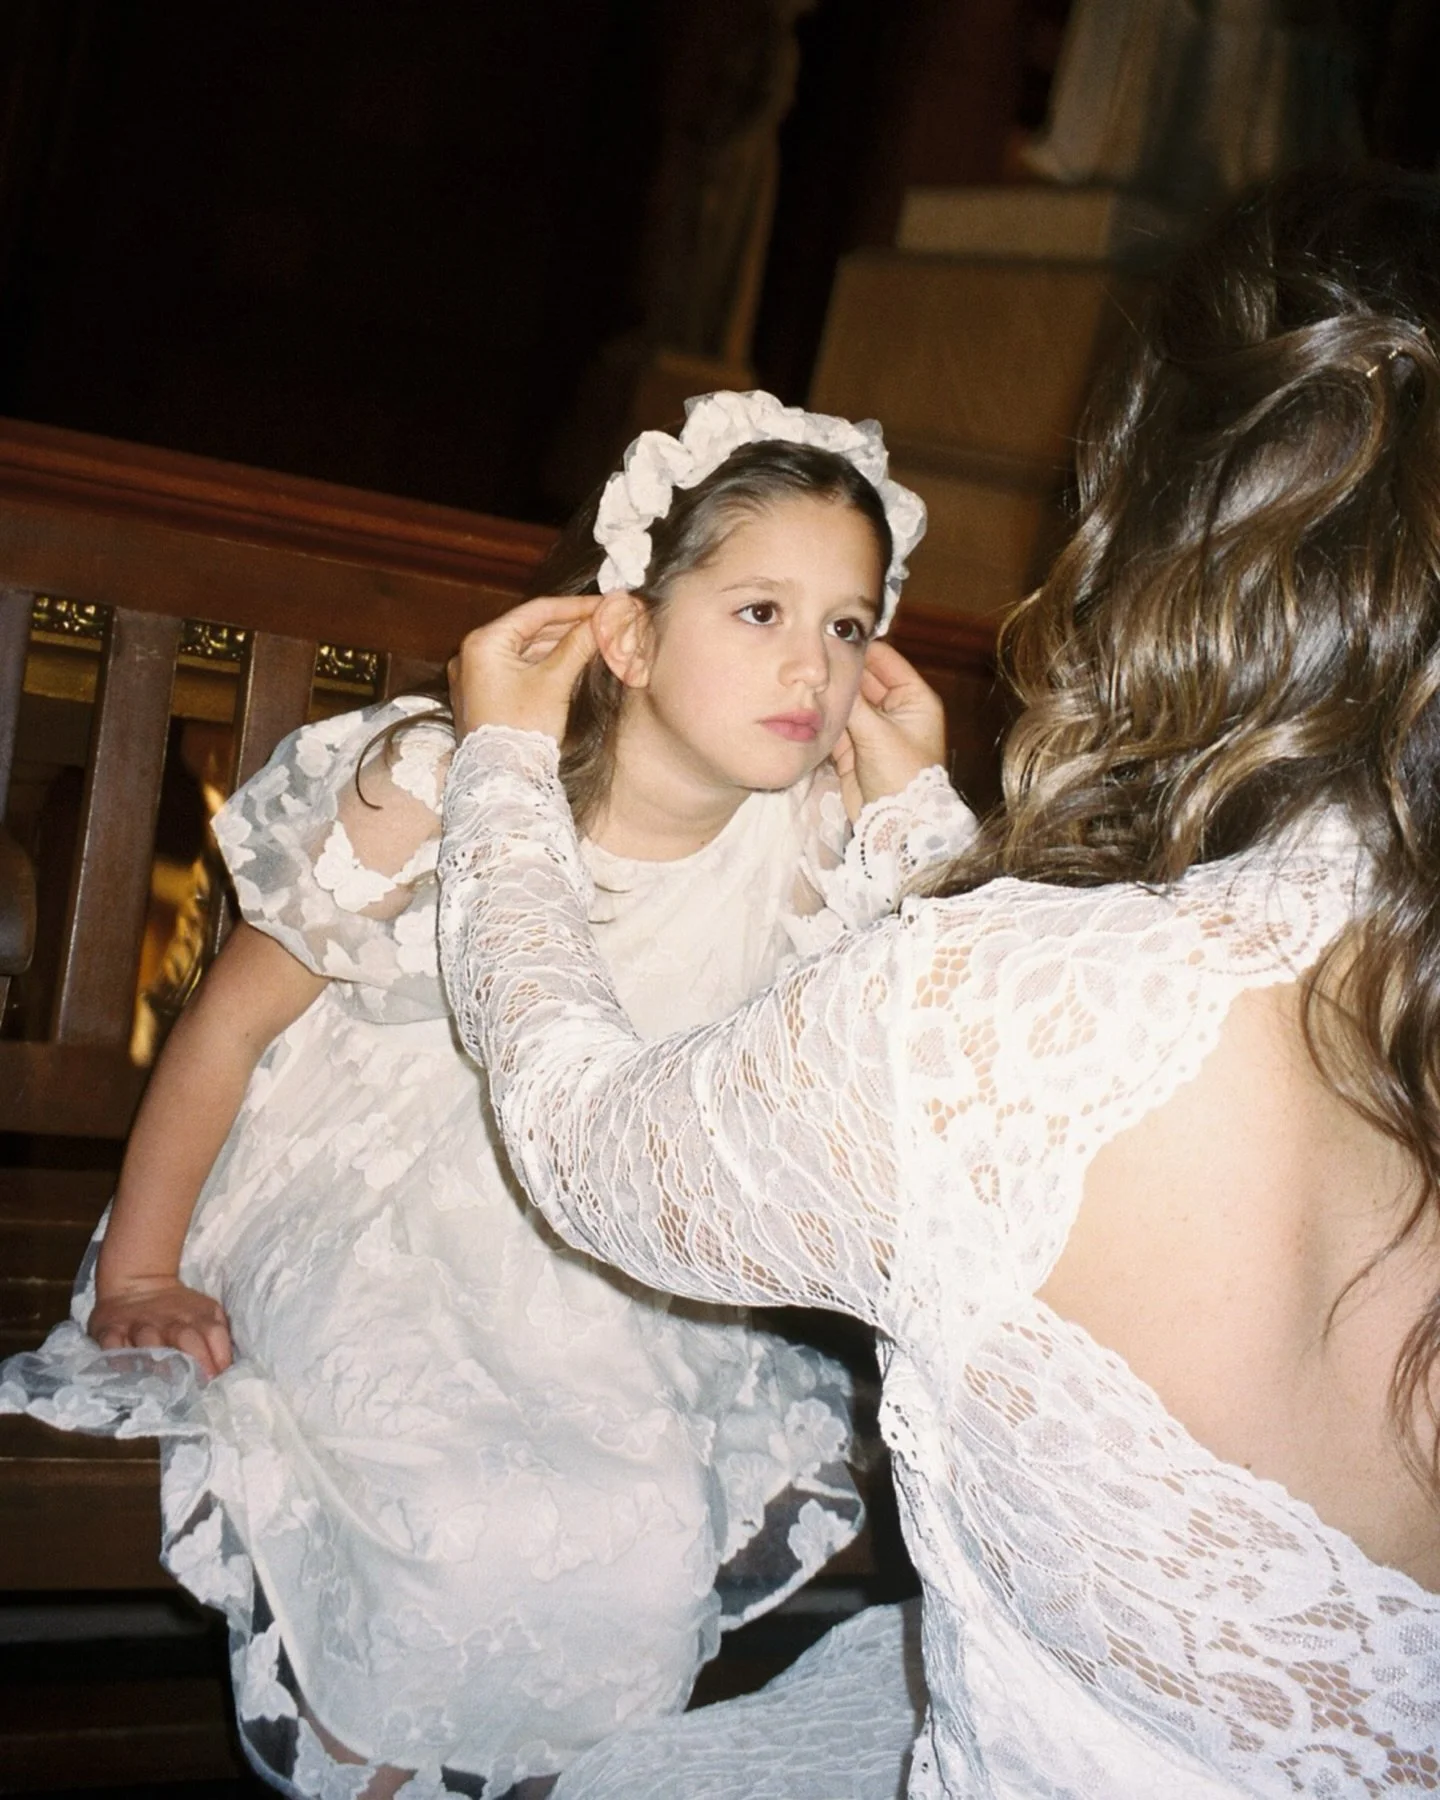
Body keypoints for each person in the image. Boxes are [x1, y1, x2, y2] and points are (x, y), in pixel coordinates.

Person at [436, 168, 1440, 1798]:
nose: (816, 661)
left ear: (1166, 520)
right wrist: (919, 830)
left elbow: (581, 1133)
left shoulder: (999, 1015)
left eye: (845, 623)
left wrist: (498, 771)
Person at [0, 391, 968, 1799]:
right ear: (629, 636)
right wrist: (141, 1271)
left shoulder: (817, 836)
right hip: (369, 1199)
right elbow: (229, 1027)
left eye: (849, 625)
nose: (811, 667)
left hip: (600, 1249)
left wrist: (915, 819)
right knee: (444, 1507)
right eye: (761, 611)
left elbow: (952, 1047)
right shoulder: (442, 782)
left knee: (636, 1519)